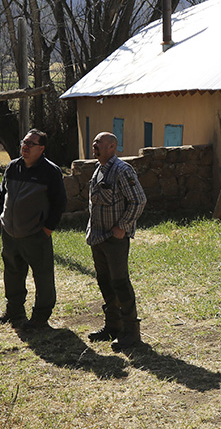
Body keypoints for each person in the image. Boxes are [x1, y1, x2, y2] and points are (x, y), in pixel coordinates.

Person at [0, 129, 67, 331]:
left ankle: (40, 318)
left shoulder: (50, 172)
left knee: (42, 276)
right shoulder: (12, 167)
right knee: (12, 272)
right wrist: (2, 217)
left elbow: (59, 203)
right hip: (10, 233)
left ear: (41, 149)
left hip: (36, 235)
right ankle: (14, 311)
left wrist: (47, 229)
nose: (25, 146)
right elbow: (3, 194)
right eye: (24, 142)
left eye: (31, 143)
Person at [86, 131, 147, 350]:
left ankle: (131, 332)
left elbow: (138, 200)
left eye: (98, 142)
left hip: (114, 239)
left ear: (112, 147)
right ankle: (113, 325)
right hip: (98, 238)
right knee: (104, 280)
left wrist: (123, 226)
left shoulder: (122, 170)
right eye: (94, 142)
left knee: (120, 282)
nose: (94, 145)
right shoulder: (99, 169)